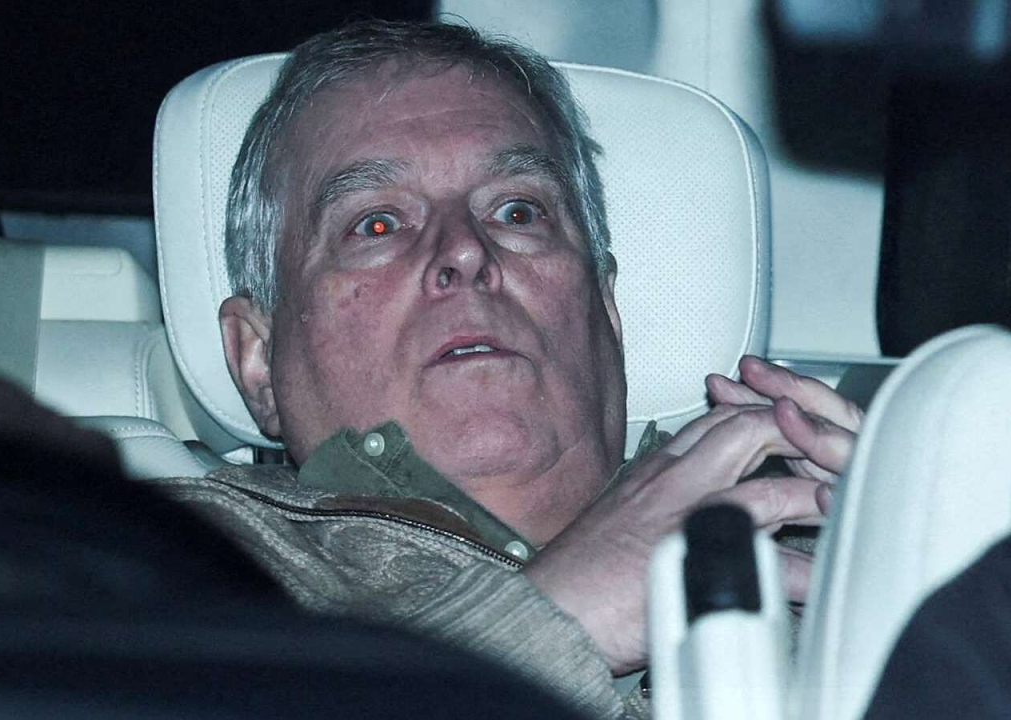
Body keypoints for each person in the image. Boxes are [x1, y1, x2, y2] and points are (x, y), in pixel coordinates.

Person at [151, 19, 862, 719]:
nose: (465, 250)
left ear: (606, 311)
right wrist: (557, 625)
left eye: (517, 212)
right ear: (258, 358)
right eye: (376, 224)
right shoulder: (169, 567)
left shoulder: (818, 538)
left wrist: (895, 533)